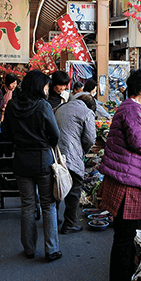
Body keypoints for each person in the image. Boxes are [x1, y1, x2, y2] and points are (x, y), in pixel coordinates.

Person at [99, 67, 141, 281]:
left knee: (123, 237)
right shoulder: (133, 109)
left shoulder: (128, 108)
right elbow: (138, 143)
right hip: (127, 183)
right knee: (124, 239)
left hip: (125, 178)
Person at [2, 70, 62, 261]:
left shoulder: (11, 105)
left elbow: (6, 134)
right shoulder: (43, 106)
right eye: (45, 86)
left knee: (27, 205)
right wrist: (45, 142)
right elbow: (56, 135)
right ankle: (51, 250)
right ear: (38, 86)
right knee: (48, 205)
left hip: (20, 160)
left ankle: (29, 249)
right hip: (42, 160)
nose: (47, 90)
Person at [54, 94, 97, 234]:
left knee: (56, 186)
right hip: (72, 155)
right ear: (90, 106)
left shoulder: (60, 108)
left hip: (55, 154)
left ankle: (53, 220)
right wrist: (82, 150)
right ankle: (70, 224)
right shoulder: (87, 112)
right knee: (74, 189)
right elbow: (91, 138)